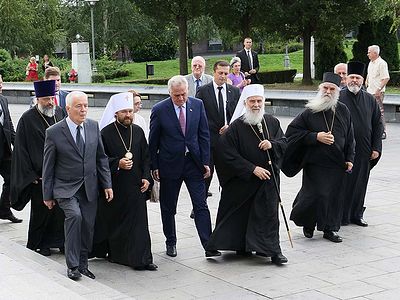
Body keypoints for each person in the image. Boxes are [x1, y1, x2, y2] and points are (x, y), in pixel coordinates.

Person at [205, 84, 288, 265]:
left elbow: (284, 142)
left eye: (259, 101)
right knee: (239, 215)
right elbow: (225, 153)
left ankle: (273, 251)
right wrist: (251, 169)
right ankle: (240, 245)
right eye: (252, 101)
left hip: (267, 181)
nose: (256, 105)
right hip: (243, 182)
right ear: (245, 103)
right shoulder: (235, 127)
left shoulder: (272, 122)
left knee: (268, 216)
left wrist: (272, 144)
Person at [42, 91, 113, 280]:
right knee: (75, 217)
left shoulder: (93, 126)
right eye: (79, 106)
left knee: (87, 226)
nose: (83, 110)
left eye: (86, 106)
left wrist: (107, 184)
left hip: (89, 187)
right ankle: (72, 265)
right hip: (65, 188)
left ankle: (83, 264)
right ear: (68, 109)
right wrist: (47, 195)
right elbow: (48, 167)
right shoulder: (54, 132)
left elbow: (101, 158)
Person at [149, 75, 218, 258]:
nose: (180, 99)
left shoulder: (197, 105)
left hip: (193, 163)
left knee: (200, 204)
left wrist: (205, 161)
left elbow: (204, 135)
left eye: (183, 94)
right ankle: (170, 242)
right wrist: (154, 165)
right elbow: (153, 141)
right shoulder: (159, 110)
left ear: (188, 91)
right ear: (170, 93)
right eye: (176, 95)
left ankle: (208, 244)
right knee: (168, 206)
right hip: (169, 164)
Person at [282, 72, 355, 243]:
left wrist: (350, 158)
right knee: (316, 195)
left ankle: (330, 229)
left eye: (332, 89)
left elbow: (351, 138)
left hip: (337, 163)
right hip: (315, 163)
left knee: (334, 197)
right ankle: (308, 223)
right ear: (320, 89)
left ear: (337, 91)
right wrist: (315, 137)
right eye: (326, 88)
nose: (328, 92)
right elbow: (292, 134)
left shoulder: (343, 110)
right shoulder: (310, 111)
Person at [92, 92, 157, 271]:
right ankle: (118, 256)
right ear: (116, 113)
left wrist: (146, 177)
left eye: (130, 111)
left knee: (139, 224)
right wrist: (117, 163)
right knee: (118, 224)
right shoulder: (105, 133)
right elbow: (100, 159)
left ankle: (142, 259)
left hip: (136, 185)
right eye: (124, 112)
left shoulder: (137, 131)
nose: (128, 115)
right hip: (116, 186)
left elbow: (146, 156)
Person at [10, 80, 65, 255]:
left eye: (52, 98)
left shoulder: (61, 113)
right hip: (39, 176)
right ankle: (41, 243)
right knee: (42, 211)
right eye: (46, 99)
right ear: (38, 99)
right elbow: (21, 150)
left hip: (61, 173)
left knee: (61, 211)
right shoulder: (27, 119)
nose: (50, 102)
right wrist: (30, 175)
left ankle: (61, 241)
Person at [339, 61, 383, 227]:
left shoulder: (370, 99)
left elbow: (378, 124)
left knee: (360, 183)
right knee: (343, 184)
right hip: (343, 151)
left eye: (357, 78)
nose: (354, 80)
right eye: (351, 77)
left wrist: (376, 147)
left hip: (364, 151)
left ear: (363, 80)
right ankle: (342, 215)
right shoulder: (339, 97)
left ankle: (357, 214)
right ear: (346, 78)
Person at [195, 60, 240, 212]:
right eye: (220, 73)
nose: (223, 76)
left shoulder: (234, 91)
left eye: (226, 73)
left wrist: (230, 127)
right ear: (214, 72)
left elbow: (237, 114)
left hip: (227, 141)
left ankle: (229, 204)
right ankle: (199, 205)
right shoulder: (203, 90)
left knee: (228, 174)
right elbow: (199, 116)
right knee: (206, 174)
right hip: (209, 141)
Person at [0, 74, 22, 224]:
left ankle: (4, 209)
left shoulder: (4, 100)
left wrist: (18, 144)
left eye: (1, 82)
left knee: (12, 179)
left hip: (5, 149)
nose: (1, 86)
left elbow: (9, 123)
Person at [366, 45, 390, 139]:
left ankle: (383, 131)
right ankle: (372, 130)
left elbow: (386, 78)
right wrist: (366, 81)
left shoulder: (382, 63)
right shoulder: (371, 62)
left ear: (375, 53)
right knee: (370, 112)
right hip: (369, 91)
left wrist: (378, 89)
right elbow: (369, 74)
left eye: (369, 52)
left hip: (377, 92)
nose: (367, 54)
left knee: (379, 112)